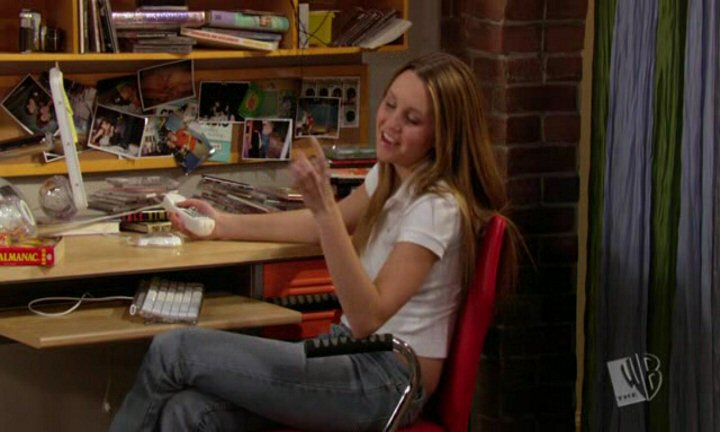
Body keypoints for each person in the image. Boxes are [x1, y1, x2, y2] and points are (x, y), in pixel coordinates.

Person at [109, 52, 519, 432]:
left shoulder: (436, 208)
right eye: (390, 104)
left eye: (411, 119)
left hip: (386, 380)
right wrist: (223, 224)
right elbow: (316, 225)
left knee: (173, 350)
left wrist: (325, 211)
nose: (390, 124)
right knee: (189, 412)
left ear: (442, 135)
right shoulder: (392, 175)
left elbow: (367, 316)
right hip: (347, 353)